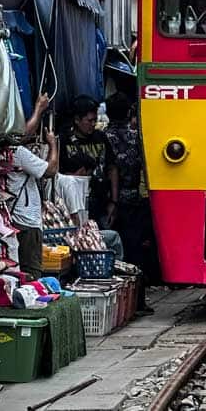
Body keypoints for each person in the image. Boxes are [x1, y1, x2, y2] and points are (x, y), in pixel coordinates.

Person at [109, 102, 157, 305]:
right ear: (129, 113)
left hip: (111, 200)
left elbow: (111, 168)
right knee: (135, 251)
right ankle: (138, 301)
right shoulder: (136, 137)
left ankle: (119, 300)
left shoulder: (105, 137)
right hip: (135, 198)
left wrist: (112, 199)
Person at [8, 92, 58, 279]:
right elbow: (51, 170)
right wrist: (53, 144)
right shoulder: (17, 152)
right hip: (27, 222)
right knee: (31, 272)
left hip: (15, 218)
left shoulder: (10, 151)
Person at [53, 151, 124, 261]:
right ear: (82, 170)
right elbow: (74, 216)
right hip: (76, 237)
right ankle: (118, 266)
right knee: (114, 237)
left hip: (65, 234)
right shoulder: (71, 183)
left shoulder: (59, 179)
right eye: (89, 173)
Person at [61, 101, 118, 229]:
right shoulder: (64, 140)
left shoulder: (101, 137)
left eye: (95, 120)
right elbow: (57, 174)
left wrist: (114, 202)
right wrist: (74, 177)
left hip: (101, 203)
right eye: (89, 121)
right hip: (75, 205)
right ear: (77, 120)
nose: (93, 124)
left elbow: (112, 168)